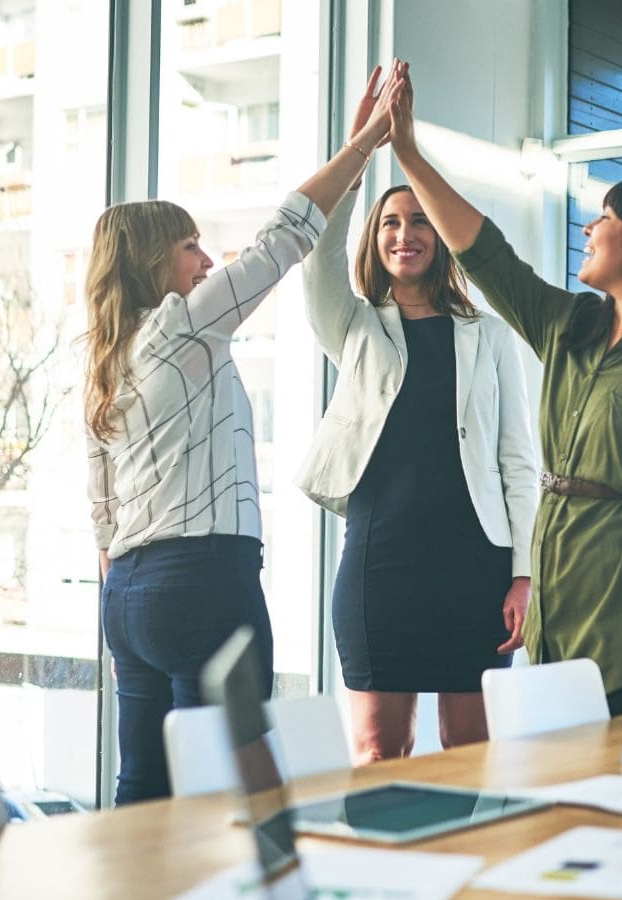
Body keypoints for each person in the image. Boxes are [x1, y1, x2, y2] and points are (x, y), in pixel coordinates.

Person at [382, 64, 622, 716]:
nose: (588, 228)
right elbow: (485, 253)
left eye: (605, 217)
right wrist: (408, 152)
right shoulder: (569, 328)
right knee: (566, 783)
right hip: (566, 594)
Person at [84, 71, 401, 804]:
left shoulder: (105, 356)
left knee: (145, 788)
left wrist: (140, 592)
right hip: (202, 582)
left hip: (129, 595)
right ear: (152, 261)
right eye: (190, 246)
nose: (205, 261)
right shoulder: (181, 323)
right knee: (230, 794)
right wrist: (362, 146)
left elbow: (101, 512)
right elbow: (282, 239)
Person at [297, 68, 539, 763]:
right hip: (381, 565)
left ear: (441, 236)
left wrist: (525, 572)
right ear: (375, 239)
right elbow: (317, 261)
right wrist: (358, 157)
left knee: (470, 746)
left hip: (476, 567)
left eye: (419, 222)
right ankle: (388, 871)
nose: (405, 234)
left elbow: (518, 461)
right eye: (391, 224)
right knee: (379, 747)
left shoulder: (489, 335)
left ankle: (464, 871)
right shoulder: (354, 328)